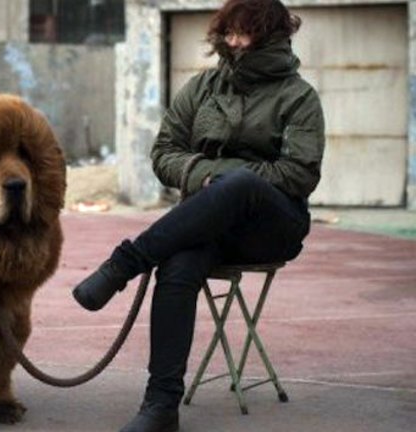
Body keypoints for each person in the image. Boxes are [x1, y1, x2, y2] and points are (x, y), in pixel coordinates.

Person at [72, 1, 325, 431]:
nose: (232, 41)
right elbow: (163, 153)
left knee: (241, 185)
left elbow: (298, 174)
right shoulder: (202, 88)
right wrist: (206, 177)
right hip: (206, 222)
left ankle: (126, 263)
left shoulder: (298, 97)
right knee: (178, 263)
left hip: (271, 225)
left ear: (270, 35)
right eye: (227, 32)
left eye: (243, 33)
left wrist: (225, 178)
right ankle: (161, 406)